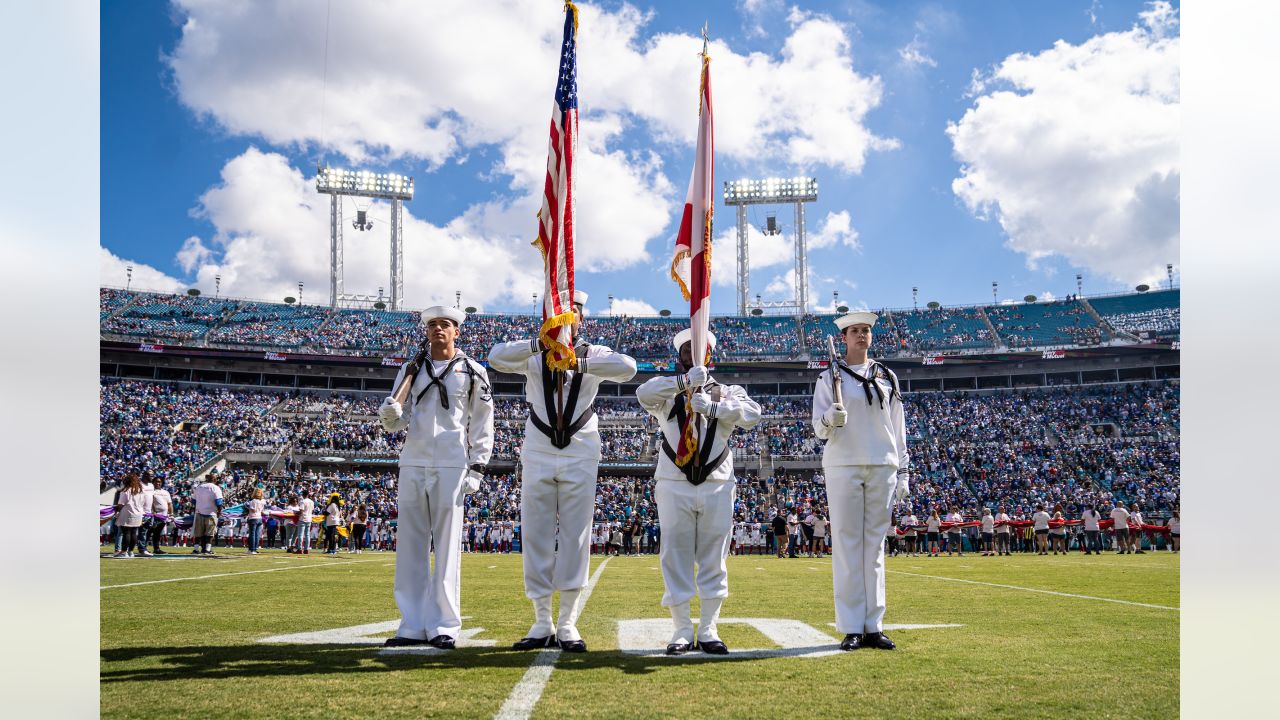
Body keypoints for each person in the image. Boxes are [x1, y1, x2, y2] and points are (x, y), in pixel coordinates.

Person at [488, 290, 637, 653]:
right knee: (536, 532)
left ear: (582, 317)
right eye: (559, 312)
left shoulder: (593, 352)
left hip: (581, 447)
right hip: (538, 446)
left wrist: (577, 364)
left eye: (573, 313)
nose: (567, 318)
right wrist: (540, 344)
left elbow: (628, 368)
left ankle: (568, 621)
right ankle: (541, 621)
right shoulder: (533, 352)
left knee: (575, 534)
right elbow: (495, 357)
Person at [638, 329, 762, 656]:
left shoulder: (728, 390)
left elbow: (752, 415)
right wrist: (684, 384)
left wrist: (715, 407)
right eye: (687, 350)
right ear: (679, 356)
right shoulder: (667, 389)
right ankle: (681, 629)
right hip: (674, 481)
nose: (693, 354)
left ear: (709, 354)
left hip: (717, 482)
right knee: (674, 556)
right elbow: (643, 393)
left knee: (713, 558)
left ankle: (708, 628)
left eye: (700, 349)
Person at [379, 306, 495, 650]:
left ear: (457, 331)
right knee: (410, 546)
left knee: (446, 547)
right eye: (432, 324)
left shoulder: (473, 371)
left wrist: (478, 466)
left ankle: (445, 624)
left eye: (445, 324)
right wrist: (390, 416)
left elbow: (483, 421)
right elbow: (400, 419)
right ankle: (412, 624)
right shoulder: (410, 368)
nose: (438, 329)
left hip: (452, 463)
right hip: (414, 461)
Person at [811, 310, 910, 652]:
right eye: (855, 330)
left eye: (866, 330)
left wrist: (904, 470)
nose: (861, 335)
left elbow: (898, 427)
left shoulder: (887, 376)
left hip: (882, 463)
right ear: (844, 337)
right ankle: (852, 625)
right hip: (843, 464)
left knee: (875, 549)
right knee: (848, 546)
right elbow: (819, 429)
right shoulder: (829, 377)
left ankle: (874, 625)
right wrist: (830, 417)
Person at [114, 474, 151, 558]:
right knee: (134, 533)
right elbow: (143, 503)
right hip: (138, 514)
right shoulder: (140, 491)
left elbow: (121, 504)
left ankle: (124, 552)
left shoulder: (126, 491)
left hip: (127, 513)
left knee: (126, 532)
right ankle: (131, 552)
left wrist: (116, 511)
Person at [192, 472, 224, 555]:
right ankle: (207, 549)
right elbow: (219, 502)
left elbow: (193, 500)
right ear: (214, 479)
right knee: (210, 532)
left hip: (199, 512)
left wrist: (199, 506)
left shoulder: (199, 487)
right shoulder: (215, 488)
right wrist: (219, 512)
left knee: (198, 532)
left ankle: (196, 549)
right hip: (211, 514)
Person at [149, 475, 173, 555]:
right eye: (156, 481)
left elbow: (169, 504)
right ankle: (143, 548)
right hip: (154, 516)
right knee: (149, 532)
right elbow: (150, 502)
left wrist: (171, 513)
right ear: (153, 482)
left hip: (164, 516)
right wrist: (153, 511)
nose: (158, 483)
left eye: (159, 482)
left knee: (157, 533)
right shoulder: (151, 491)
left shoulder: (166, 492)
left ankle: (156, 548)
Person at [244, 488, 265, 555]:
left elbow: (253, 510)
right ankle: (255, 549)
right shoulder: (262, 501)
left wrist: (247, 506)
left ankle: (252, 549)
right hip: (259, 518)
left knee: (252, 534)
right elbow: (261, 511)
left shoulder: (253, 501)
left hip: (253, 518)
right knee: (257, 535)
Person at [295, 489, 315, 555]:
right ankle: (306, 549)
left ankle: (300, 549)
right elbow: (312, 510)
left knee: (300, 534)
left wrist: (295, 512)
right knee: (307, 535)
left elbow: (301, 511)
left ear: (303, 494)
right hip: (309, 518)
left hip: (303, 518)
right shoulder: (311, 502)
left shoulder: (303, 501)